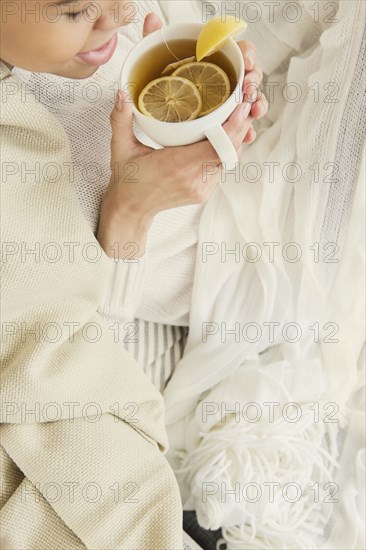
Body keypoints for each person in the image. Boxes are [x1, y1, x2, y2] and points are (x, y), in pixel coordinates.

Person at [0, 0, 268, 548]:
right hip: (230, 279)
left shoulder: (88, 38)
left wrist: (205, 65)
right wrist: (131, 212)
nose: (119, 16)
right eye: (76, 11)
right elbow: (72, 370)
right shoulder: (22, 185)